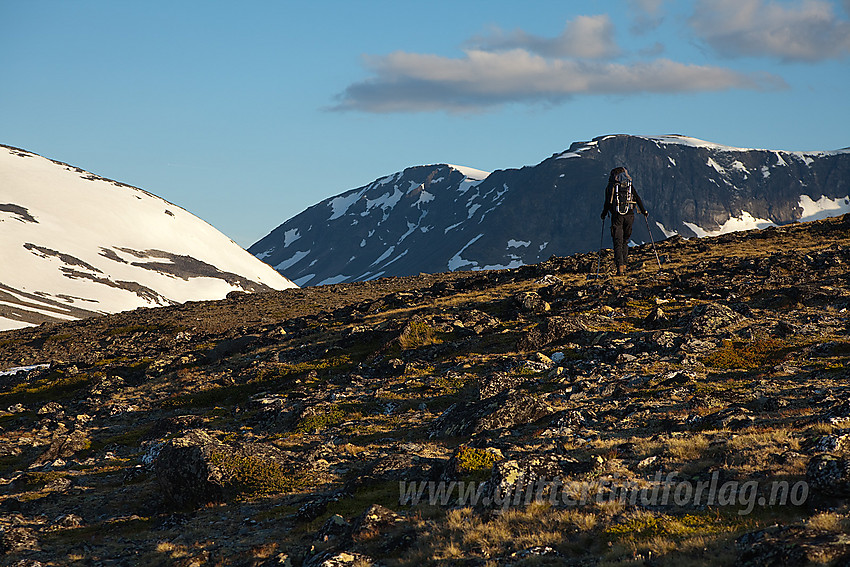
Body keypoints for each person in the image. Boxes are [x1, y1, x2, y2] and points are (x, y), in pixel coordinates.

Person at [600, 166, 648, 276]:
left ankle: (620, 269)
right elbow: (637, 198)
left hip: (617, 216)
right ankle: (625, 266)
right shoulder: (629, 186)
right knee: (625, 241)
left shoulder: (611, 186)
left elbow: (607, 203)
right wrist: (644, 211)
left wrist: (603, 214)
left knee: (618, 242)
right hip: (630, 215)